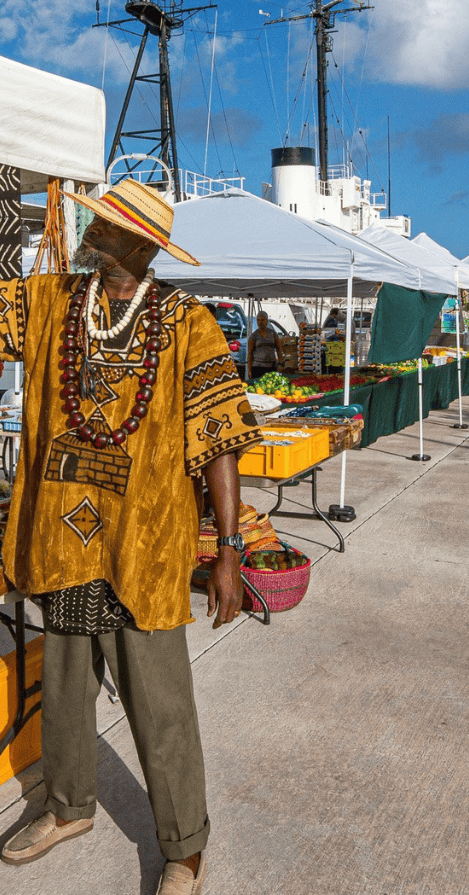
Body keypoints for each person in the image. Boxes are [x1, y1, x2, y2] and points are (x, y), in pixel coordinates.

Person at [0, 179, 263, 895]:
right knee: (63, 682)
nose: (92, 229)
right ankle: (68, 805)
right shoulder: (53, 301)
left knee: (159, 698)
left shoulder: (186, 324)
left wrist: (230, 552)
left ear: (141, 245)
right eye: (97, 219)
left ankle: (186, 846)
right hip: (63, 532)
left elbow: (221, 440)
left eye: (107, 224)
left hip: (143, 546)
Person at [246, 311, 284, 379]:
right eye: (258, 320)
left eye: (262, 320)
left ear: (266, 321)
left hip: (271, 367)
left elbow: (279, 349)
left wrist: (280, 364)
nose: (260, 322)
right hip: (257, 368)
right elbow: (250, 354)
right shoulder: (253, 336)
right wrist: (249, 370)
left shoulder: (273, 334)